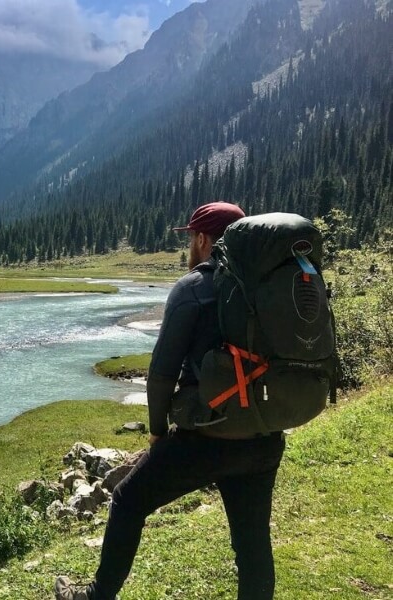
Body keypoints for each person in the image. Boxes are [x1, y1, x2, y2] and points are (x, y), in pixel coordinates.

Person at [55, 202, 286, 600]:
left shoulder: (194, 287)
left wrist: (159, 433)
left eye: (190, 239)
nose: (189, 249)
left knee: (128, 500)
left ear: (201, 239)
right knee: (252, 544)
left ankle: (96, 596)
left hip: (205, 438)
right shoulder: (270, 284)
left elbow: (161, 374)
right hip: (264, 437)